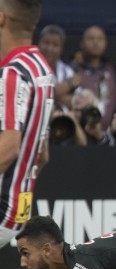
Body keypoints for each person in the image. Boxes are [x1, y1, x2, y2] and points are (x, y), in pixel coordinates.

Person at [0, 0, 54, 249]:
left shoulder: (13, 73)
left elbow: (10, 148)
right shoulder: (42, 69)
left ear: (2, 18)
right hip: (19, 206)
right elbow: (42, 155)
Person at [74, 25, 116, 129]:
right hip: (82, 133)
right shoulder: (75, 69)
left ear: (106, 43)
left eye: (100, 39)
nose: (96, 42)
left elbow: (114, 101)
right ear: (82, 43)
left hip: (106, 133)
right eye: (91, 39)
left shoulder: (109, 70)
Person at [37, 24, 80, 110]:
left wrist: (55, 96)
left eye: (55, 45)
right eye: (46, 43)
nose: (49, 48)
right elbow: (41, 95)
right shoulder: (32, 67)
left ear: (61, 48)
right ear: (39, 43)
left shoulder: (67, 71)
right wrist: (69, 84)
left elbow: (77, 101)